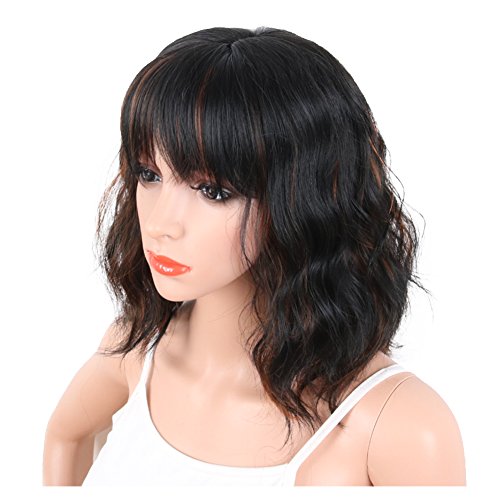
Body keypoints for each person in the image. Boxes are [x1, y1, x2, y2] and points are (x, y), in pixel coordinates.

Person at [42, 26, 466, 486]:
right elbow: (65, 438)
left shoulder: (396, 424)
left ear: (304, 198)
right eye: (150, 174)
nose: (162, 223)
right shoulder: (136, 349)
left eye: (212, 191)